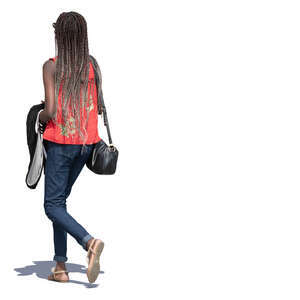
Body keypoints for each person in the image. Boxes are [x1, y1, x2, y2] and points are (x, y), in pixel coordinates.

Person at [39, 11, 104, 284]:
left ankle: (88, 242)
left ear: (59, 36)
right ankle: (60, 267)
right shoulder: (92, 65)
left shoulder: (52, 66)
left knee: (52, 206)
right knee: (60, 204)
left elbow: (51, 111)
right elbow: (99, 106)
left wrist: (38, 115)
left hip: (60, 143)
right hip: (86, 145)